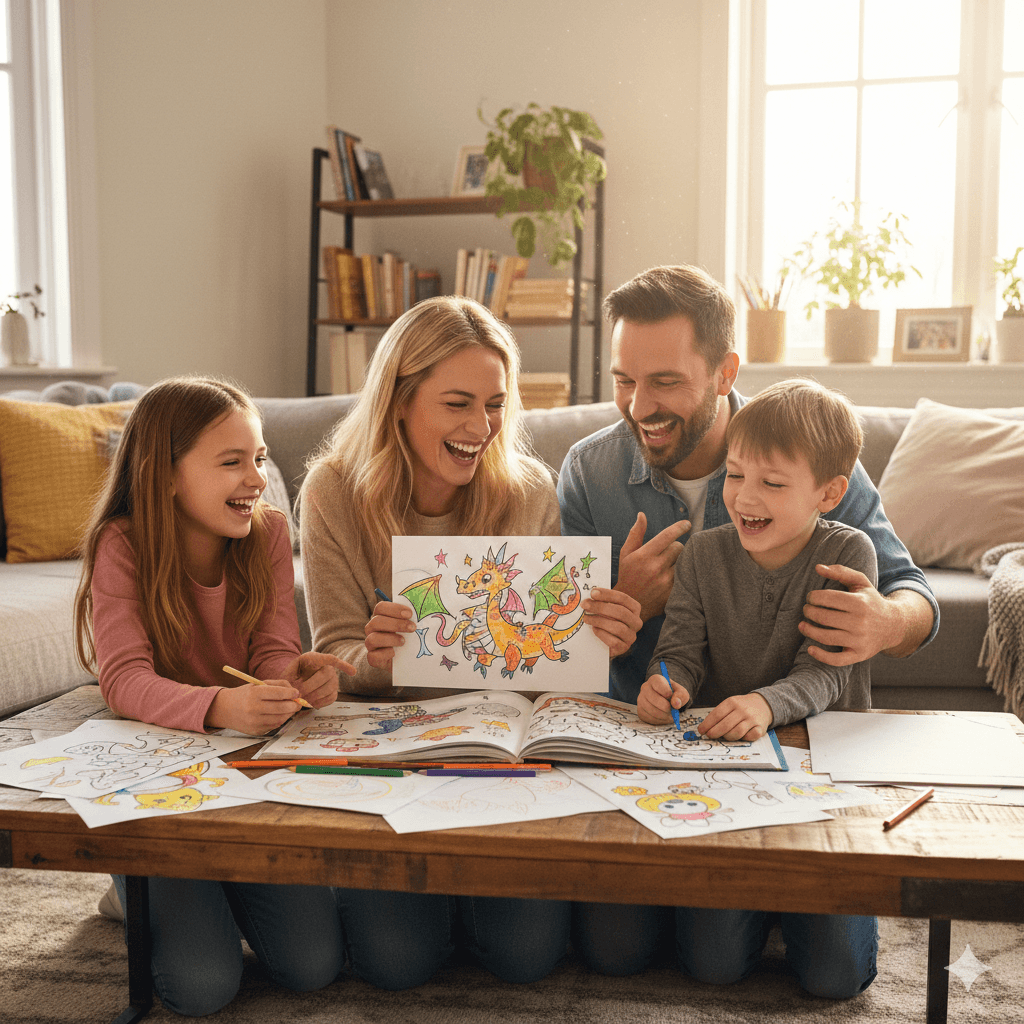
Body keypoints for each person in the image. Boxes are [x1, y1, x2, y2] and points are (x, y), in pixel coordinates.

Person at [557, 264, 938, 980]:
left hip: (801, 745)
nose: (638, 406)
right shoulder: (589, 471)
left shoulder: (810, 447)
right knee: (618, 951)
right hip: (669, 744)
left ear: (725, 370)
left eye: (664, 381)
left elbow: (912, 593)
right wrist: (620, 603)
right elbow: (562, 643)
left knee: (831, 970)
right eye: (622, 380)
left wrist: (884, 622)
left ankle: (776, 896)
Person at [300, 295, 642, 991]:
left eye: (494, 404)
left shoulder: (526, 491)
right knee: (396, 964)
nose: (480, 427)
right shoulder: (333, 490)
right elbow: (335, 656)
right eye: (457, 404)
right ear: (399, 400)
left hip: (500, 765)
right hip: (394, 756)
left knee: (527, 957)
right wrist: (372, 658)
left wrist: (599, 641)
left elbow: (549, 665)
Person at [73, 376, 349, 1017]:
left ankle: (201, 890)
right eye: (232, 462)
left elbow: (273, 650)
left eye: (258, 458)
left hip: (244, 781)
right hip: (159, 782)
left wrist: (291, 680)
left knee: (313, 966)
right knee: (202, 987)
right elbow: (122, 680)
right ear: (164, 475)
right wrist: (221, 707)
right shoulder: (122, 544)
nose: (255, 477)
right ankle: (131, 884)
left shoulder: (270, 533)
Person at [639, 379, 878, 998]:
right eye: (736, 475)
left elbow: (827, 673)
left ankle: (798, 903)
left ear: (829, 492)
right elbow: (678, 654)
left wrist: (767, 703)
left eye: (772, 483)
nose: (744, 496)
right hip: (733, 775)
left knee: (837, 978)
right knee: (712, 965)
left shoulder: (848, 550)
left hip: (823, 773)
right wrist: (664, 685)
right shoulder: (704, 555)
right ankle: (763, 905)